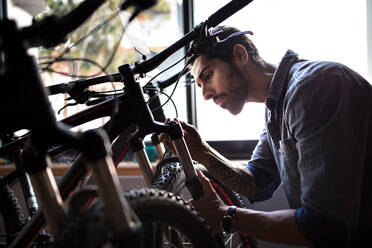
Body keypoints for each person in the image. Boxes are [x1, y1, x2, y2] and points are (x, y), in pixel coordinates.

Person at [162, 26, 372, 247]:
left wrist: (224, 215)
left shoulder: (313, 88)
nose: (205, 94)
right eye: (200, 85)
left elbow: (324, 226)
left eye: (208, 75)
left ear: (240, 55)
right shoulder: (276, 108)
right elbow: (256, 183)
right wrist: (201, 152)